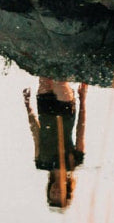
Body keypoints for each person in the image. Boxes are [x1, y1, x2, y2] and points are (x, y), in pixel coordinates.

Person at [23, 78, 87, 209]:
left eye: (53, 193)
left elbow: (36, 134)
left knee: (45, 74)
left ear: (49, 189)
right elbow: (80, 131)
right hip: (66, 113)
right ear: (67, 191)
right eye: (59, 194)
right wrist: (83, 100)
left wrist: (27, 106)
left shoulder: (41, 163)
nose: (56, 191)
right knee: (59, 78)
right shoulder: (74, 162)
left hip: (45, 110)